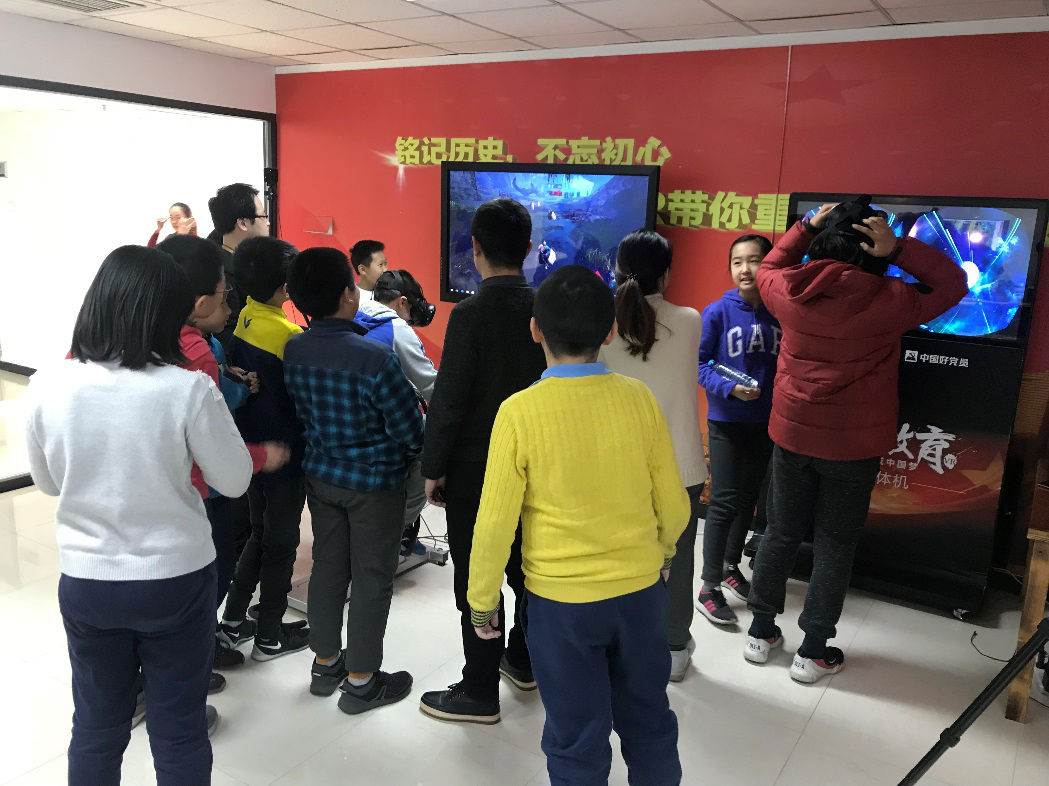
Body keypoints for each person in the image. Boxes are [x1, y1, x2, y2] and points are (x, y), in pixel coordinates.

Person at [24, 246, 254, 785]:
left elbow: (49, 483)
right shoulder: (186, 388)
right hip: (175, 579)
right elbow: (234, 480)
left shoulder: (46, 384)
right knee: (178, 731)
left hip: (88, 581)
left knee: (96, 727)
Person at [469, 265, 689, 786]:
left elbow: (494, 524)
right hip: (639, 595)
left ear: (535, 330)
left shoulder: (518, 412)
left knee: (575, 737)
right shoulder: (639, 398)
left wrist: (482, 600)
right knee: (650, 722)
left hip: (561, 606)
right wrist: (664, 553)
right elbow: (674, 503)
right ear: (610, 331)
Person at [746, 198, 967, 682]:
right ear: (873, 248)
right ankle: (812, 651)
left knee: (779, 532)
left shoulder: (790, 290)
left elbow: (768, 267)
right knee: (835, 544)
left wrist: (805, 227)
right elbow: (954, 284)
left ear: (825, 241)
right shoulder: (892, 299)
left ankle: (760, 633)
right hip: (853, 449)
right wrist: (900, 249)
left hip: (792, 435)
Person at [420, 197, 547, 724]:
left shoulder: (469, 314)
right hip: (539, 466)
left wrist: (433, 467)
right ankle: (524, 659)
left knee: (479, 575)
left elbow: (449, 399)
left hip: (477, 469)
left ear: (474, 248)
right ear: (530, 249)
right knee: (531, 570)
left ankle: (478, 690)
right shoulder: (544, 309)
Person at [283, 247, 424, 714]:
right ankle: (362, 681)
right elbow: (410, 431)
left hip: (322, 477)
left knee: (328, 568)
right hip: (375, 486)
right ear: (349, 294)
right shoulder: (374, 358)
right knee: (371, 579)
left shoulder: (294, 349)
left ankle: (326, 664)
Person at [599, 229, 707, 682]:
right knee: (676, 561)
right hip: (681, 466)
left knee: (620, 556)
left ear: (616, 270)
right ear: (666, 274)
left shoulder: (602, 326)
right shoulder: (689, 320)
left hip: (617, 467)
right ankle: (674, 649)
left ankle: (620, 643)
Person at [218, 236, 310, 662]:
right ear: (286, 287)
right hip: (284, 454)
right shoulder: (289, 336)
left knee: (260, 533)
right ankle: (270, 635)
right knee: (283, 543)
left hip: (250, 449)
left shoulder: (243, 318)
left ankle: (233, 622)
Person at [695, 234, 779, 626]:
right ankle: (708, 586)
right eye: (737, 262)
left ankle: (731, 567)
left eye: (755, 260)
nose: (745, 269)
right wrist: (728, 388)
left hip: (764, 422)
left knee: (748, 500)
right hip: (726, 421)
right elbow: (698, 365)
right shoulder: (716, 312)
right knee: (724, 501)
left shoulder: (780, 312)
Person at [354, 269, 437, 555]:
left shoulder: (355, 316)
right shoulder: (398, 329)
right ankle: (397, 525)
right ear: (402, 302)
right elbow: (430, 386)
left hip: (350, 427)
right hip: (380, 429)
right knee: (434, 446)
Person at [207, 183, 270, 351]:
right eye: (263, 216)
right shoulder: (223, 272)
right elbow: (227, 333)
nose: (268, 222)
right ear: (243, 223)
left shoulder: (237, 257)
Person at [350, 239, 388, 306]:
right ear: (362, 270)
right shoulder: (350, 299)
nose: (385, 270)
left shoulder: (392, 295)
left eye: (385, 263)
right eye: (380, 265)